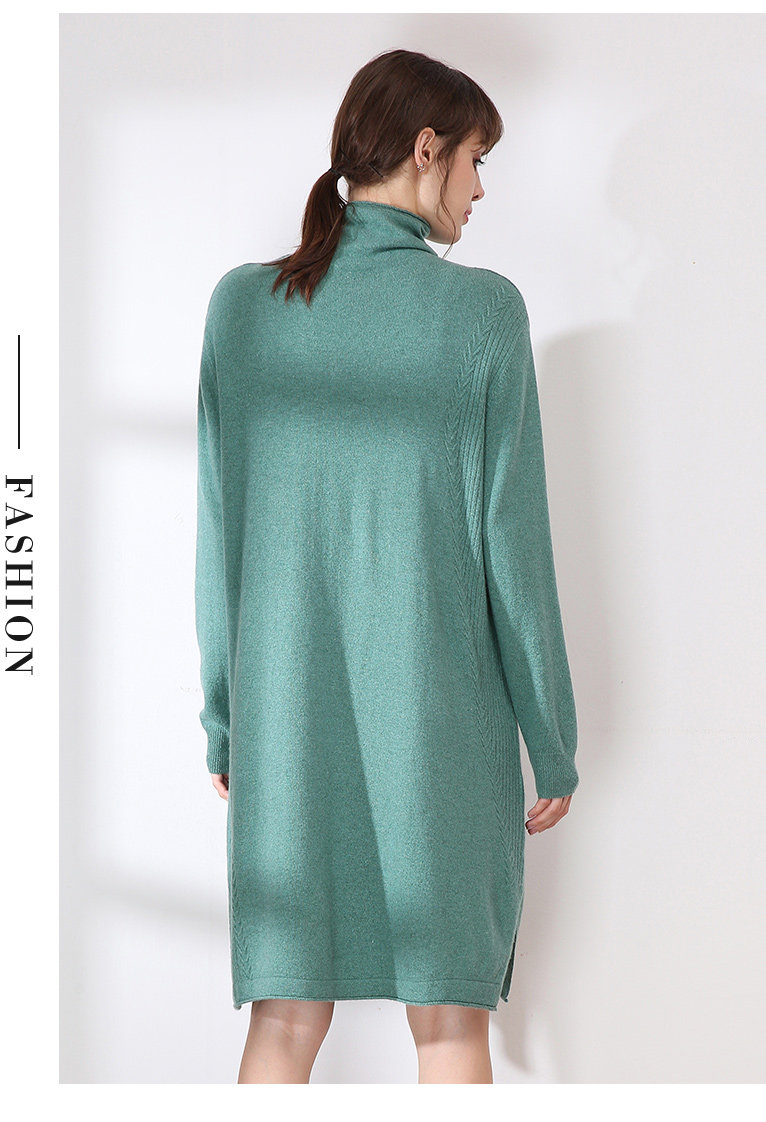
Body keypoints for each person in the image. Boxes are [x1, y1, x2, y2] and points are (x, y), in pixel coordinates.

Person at [194, 48, 579, 1084]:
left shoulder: (240, 308)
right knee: (449, 1027)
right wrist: (551, 738)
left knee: (282, 1021)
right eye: (476, 160)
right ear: (426, 149)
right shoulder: (483, 313)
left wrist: (227, 720)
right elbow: (514, 548)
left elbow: (220, 539)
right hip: (440, 732)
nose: (480, 189)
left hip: (286, 728)